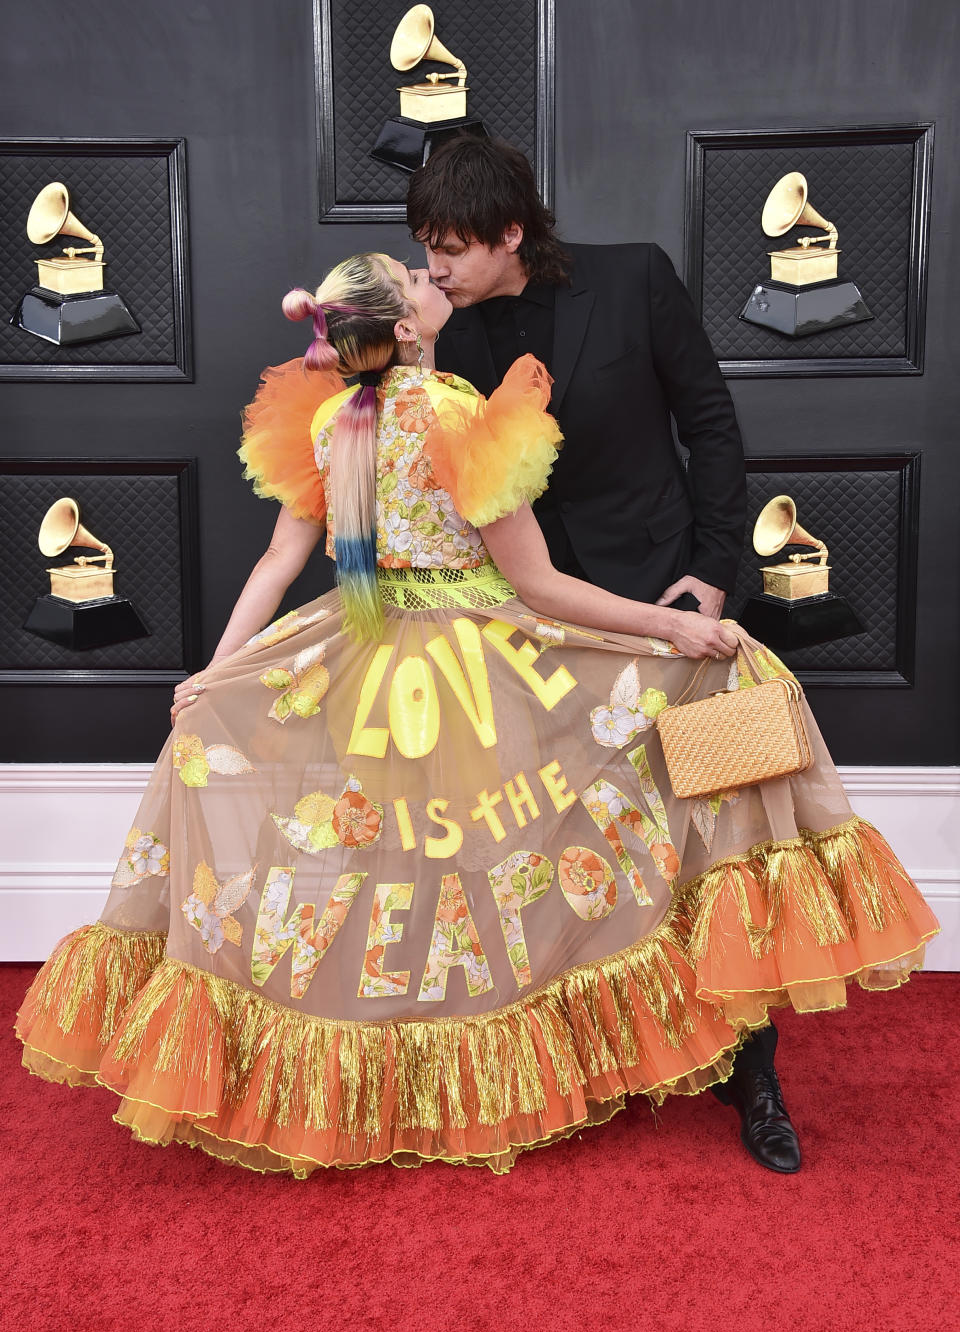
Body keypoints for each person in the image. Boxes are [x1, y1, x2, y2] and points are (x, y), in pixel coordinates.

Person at [16, 252, 936, 1179]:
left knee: (399, 866)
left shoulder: (331, 420)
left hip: (359, 660)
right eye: (416, 279)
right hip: (482, 661)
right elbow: (537, 585)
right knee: (513, 844)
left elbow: (273, 568)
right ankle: (515, 1065)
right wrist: (671, 629)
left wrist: (215, 674)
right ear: (406, 327)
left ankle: (398, 1077)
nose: (433, 279)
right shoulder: (464, 416)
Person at [406, 134, 792, 1170]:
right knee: (571, 844)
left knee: (719, 836)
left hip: (672, 594)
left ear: (511, 234)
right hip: (538, 627)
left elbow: (711, 425)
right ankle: (610, 1049)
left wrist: (711, 573)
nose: (433, 268)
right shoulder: (447, 341)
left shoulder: (636, 278)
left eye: (450, 248)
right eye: (424, 249)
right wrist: (427, 346)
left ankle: (754, 1065)